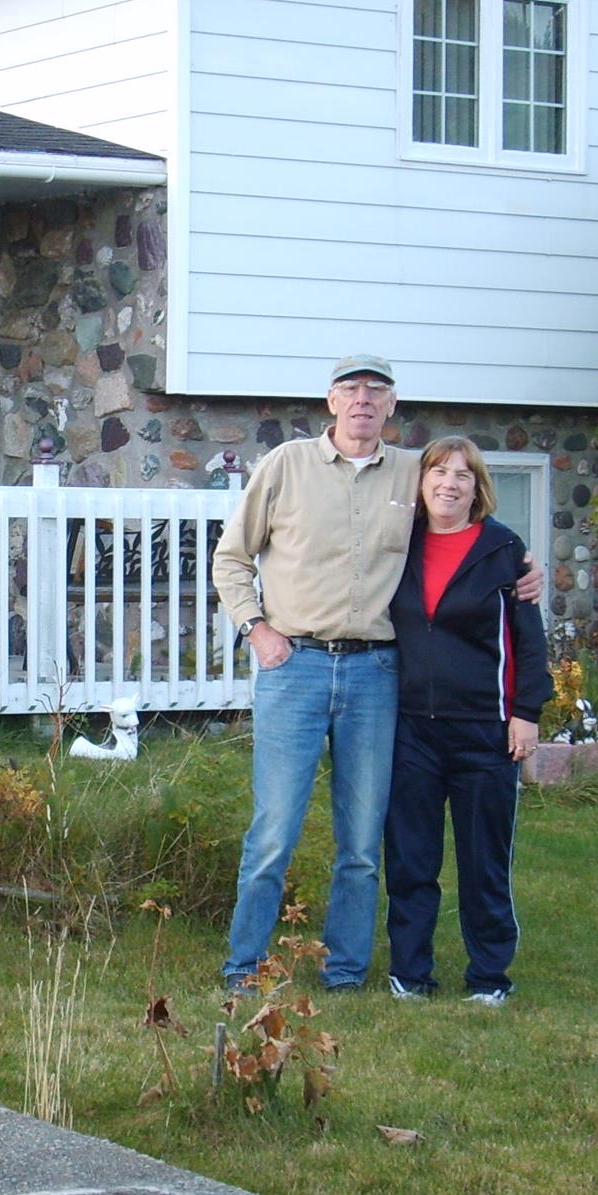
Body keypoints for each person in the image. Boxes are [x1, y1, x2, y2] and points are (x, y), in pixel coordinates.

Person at [212, 356, 541, 993]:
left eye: (376, 392)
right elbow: (232, 557)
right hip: (296, 667)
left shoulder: (410, 474)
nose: (363, 401)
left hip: (376, 677)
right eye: (351, 390)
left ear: (392, 406)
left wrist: (522, 567)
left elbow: (460, 526)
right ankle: (243, 968)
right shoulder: (286, 466)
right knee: (274, 832)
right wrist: (257, 627)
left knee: (362, 844)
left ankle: (346, 972)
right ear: (330, 401)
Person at [383, 436, 551, 1007]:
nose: (449, 484)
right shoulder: (398, 546)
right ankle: (410, 973)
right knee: (411, 858)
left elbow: (529, 642)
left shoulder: (504, 550)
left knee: (483, 862)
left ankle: (489, 976)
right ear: (421, 482)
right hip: (412, 731)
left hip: (485, 731)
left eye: (463, 475)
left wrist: (526, 712)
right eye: (438, 472)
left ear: (478, 488)